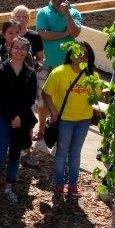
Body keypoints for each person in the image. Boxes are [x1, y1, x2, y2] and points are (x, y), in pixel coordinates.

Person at [0, 36, 37, 205]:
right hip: (4, 117)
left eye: (22, 49)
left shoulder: (30, 73)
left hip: (21, 119)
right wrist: (12, 117)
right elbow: (0, 96)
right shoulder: (1, 70)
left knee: (15, 154)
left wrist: (20, 118)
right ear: (10, 49)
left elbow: (31, 98)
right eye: (16, 47)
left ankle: (9, 187)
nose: (19, 51)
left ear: (27, 52)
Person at [42, 41, 96, 198]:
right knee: (62, 151)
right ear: (71, 54)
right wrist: (53, 111)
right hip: (65, 119)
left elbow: (96, 97)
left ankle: (72, 185)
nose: (82, 56)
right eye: (78, 53)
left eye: (85, 54)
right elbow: (46, 93)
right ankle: (59, 184)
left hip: (84, 120)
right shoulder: (59, 72)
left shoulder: (91, 74)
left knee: (75, 153)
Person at [36, 0, 83, 137]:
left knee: (63, 100)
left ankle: (59, 131)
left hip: (67, 65)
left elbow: (75, 33)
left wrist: (66, 14)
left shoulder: (74, 13)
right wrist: (64, 34)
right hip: (48, 64)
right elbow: (44, 34)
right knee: (43, 101)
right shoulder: (43, 12)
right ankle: (41, 129)